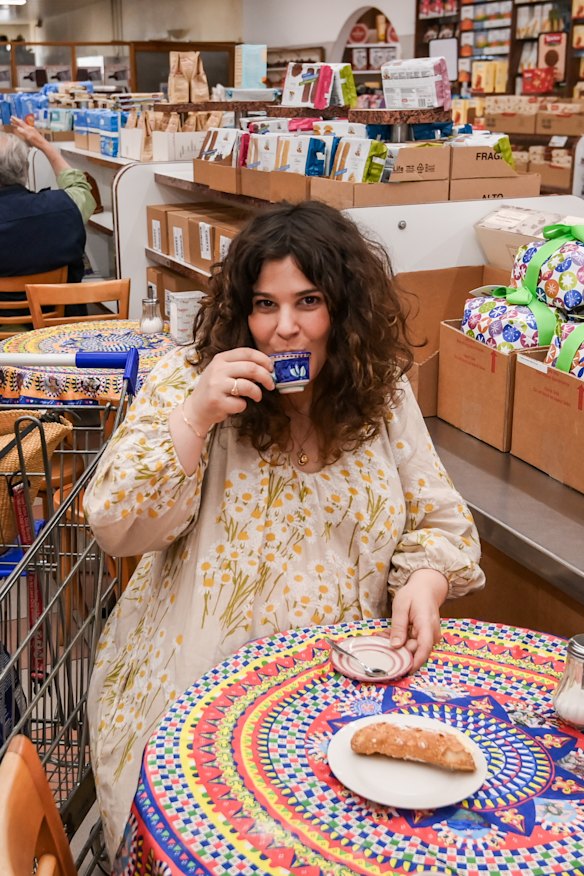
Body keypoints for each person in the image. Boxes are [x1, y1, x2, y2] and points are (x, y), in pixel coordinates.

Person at [84, 200, 485, 858]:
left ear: (345, 310)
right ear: (242, 310)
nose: (285, 329)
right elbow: (117, 526)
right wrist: (194, 418)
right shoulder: (187, 381)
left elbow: (436, 513)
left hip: (348, 692)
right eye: (265, 305)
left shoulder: (382, 393)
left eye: (309, 301)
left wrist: (427, 579)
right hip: (199, 701)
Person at [0, 117, 96, 317]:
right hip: (61, 329)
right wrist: (43, 145)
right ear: (25, 169)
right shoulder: (66, 207)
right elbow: (81, 188)